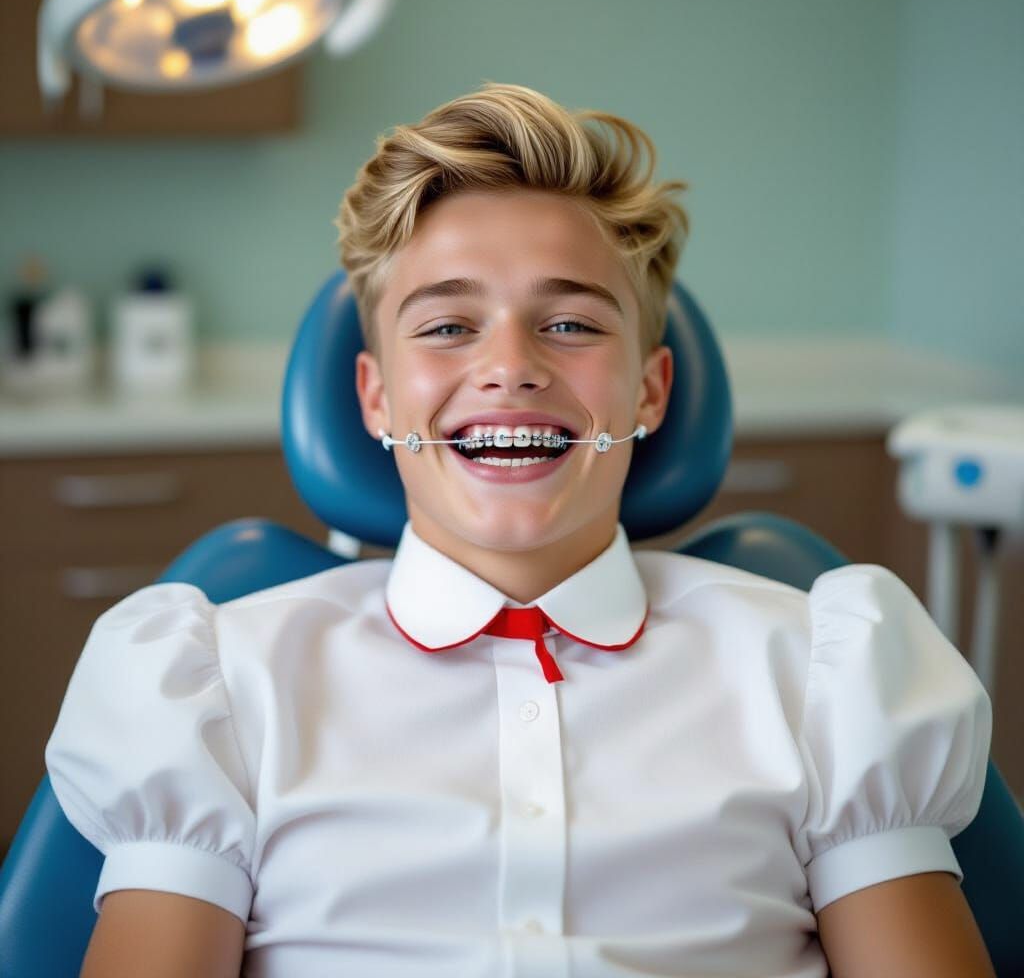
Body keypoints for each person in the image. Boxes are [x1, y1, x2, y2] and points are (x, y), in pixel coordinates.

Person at [45, 83, 996, 978]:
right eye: (449, 326)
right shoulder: (220, 690)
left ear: (651, 391)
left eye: (572, 325)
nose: (510, 366)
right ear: (376, 399)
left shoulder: (824, 677)